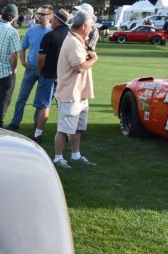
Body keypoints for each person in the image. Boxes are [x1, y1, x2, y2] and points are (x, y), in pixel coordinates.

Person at [53, 10, 98, 169]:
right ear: (84, 26)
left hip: (80, 93)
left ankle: (76, 155)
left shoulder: (78, 40)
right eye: (91, 26)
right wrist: (94, 59)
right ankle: (58, 159)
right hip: (70, 93)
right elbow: (79, 67)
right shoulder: (72, 42)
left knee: (78, 128)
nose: (92, 30)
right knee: (63, 129)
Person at [7, 5, 53, 136]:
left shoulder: (52, 32)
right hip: (31, 69)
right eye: (38, 13)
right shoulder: (31, 31)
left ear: (50, 16)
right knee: (21, 97)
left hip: (45, 72)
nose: (39, 16)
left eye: (43, 14)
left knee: (40, 102)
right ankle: (15, 122)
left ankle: (36, 124)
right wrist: (23, 62)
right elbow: (22, 48)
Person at [35, 9, 71, 143]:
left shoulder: (49, 36)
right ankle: (66, 134)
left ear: (57, 20)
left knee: (44, 106)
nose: (50, 20)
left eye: (53, 18)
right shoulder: (72, 36)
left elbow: (41, 59)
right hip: (66, 78)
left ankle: (38, 134)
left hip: (49, 75)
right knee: (64, 106)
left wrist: (39, 71)